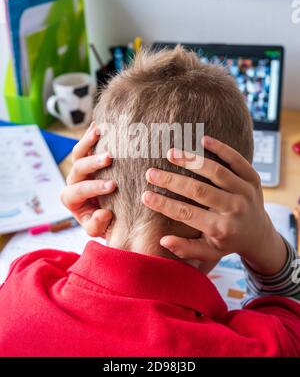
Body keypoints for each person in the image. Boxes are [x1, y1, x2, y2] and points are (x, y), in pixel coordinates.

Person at [0, 46, 299, 356]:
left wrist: (110, 212)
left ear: (91, 190)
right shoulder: (270, 345)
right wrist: (262, 241)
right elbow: (290, 312)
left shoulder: (22, 288)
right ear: (224, 217)